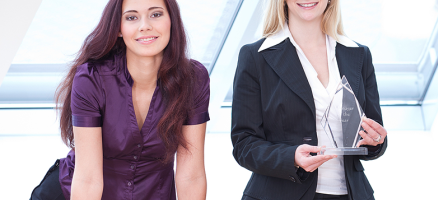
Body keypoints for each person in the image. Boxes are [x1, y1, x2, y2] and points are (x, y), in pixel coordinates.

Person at [29, 0, 210, 199]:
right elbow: (88, 179)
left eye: (156, 14)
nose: (145, 26)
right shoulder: (91, 79)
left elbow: (191, 176)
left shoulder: (193, 79)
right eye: (132, 17)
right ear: (118, 29)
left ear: (172, 20)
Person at [231, 0, 388, 199]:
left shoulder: (359, 55)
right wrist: (291, 158)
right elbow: (244, 144)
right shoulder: (256, 57)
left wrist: (376, 140)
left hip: (351, 193)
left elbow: (373, 134)